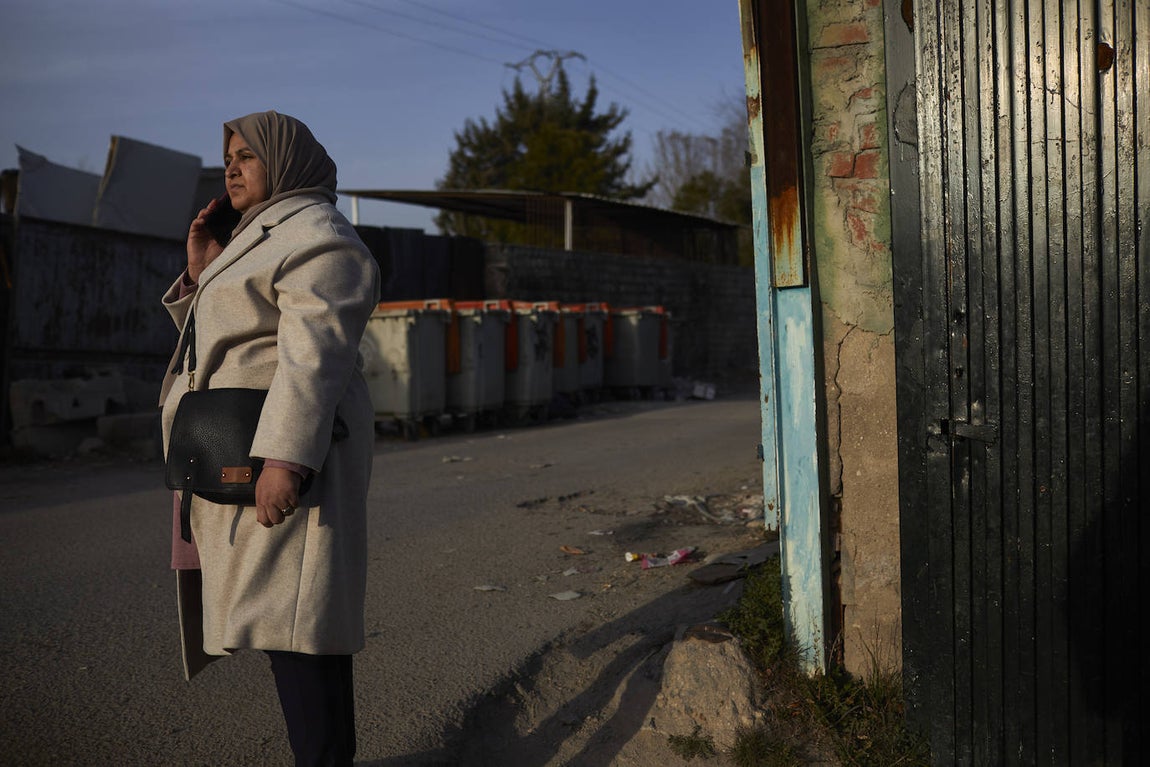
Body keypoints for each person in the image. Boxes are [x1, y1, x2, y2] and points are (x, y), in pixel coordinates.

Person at [159, 110, 380, 766]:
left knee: (301, 634)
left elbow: (315, 350)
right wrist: (201, 275)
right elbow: (221, 341)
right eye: (228, 155)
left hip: (280, 461)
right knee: (289, 632)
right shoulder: (258, 234)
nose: (231, 165)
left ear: (285, 162)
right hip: (234, 460)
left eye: (248, 155)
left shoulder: (317, 232)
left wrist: (284, 457)